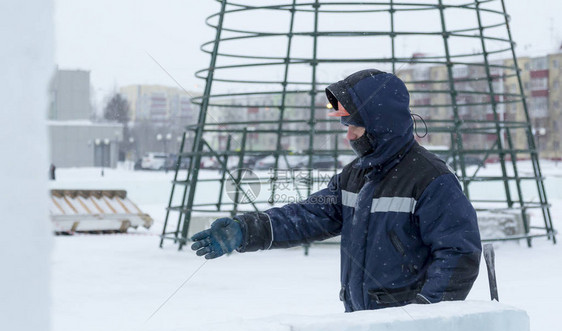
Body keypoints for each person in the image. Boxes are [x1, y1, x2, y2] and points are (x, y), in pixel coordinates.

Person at [191, 69, 482, 312]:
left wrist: (426, 314)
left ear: (381, 126)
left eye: (355, 127)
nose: (349, 136)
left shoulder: (431, 179)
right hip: (359, 323)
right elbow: (309, 216)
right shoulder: (356, 174)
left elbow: (458, 254)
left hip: (406, 328)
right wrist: (247, 230)